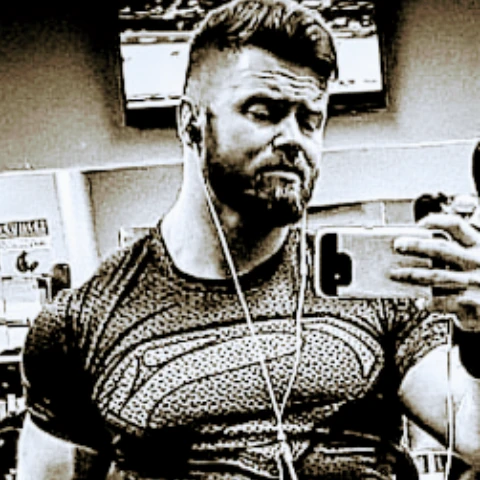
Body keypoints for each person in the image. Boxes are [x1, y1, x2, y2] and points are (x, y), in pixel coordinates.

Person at [15, 0, 480, 476]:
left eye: (309, 119)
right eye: (264, 113)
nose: (294, 138)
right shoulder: (80, 324)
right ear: (191, 124)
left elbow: (476, 434)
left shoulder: (378, 293)